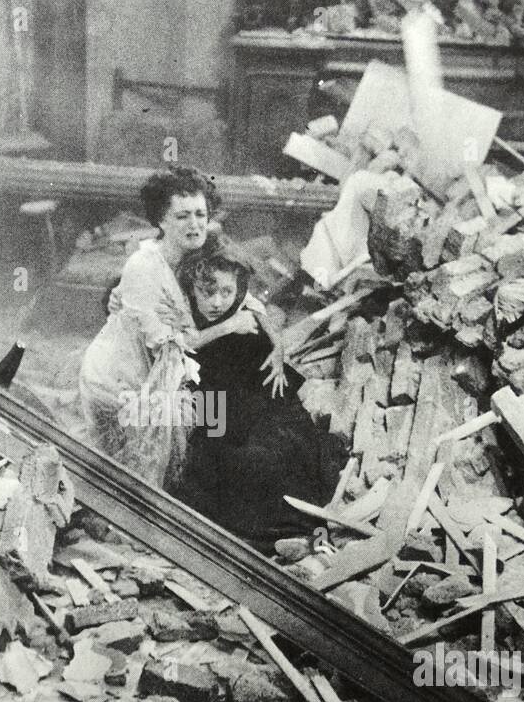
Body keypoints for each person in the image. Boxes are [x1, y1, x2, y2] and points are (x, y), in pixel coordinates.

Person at [77, 165, 260, 485]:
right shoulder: (145, 266)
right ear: (161, 221)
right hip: (121, 383)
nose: (195, 224)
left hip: (159, 370)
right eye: (182, 216)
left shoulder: (197, 250)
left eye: (200, 214)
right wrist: (231, 327)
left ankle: (218, 471)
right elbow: (171, 348)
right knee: (195, 419)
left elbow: (242, 289)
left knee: (227, 397)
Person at [172, 239, 343, 548]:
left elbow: (275, 397)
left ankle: (282, 533)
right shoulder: (187, 314)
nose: (217, 303)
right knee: (216, 461)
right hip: (217, 406)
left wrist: (274, 345)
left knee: (272, 459)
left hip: (256, 410)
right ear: (192, 290)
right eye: (207, 293)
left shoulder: (248, 321)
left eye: (226, 293)